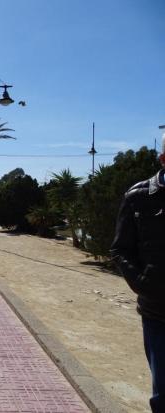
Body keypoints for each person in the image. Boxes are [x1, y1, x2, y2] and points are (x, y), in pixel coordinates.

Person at [111, 133, 165, 413]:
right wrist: (142, 283)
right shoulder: (138, 198)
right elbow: (120, 249)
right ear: (163, 159)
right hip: (158, 313)